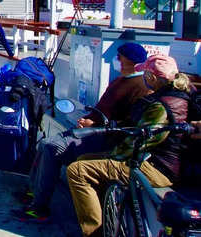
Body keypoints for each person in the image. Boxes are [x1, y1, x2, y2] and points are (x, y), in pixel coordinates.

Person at [11, 42, 150, 222]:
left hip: (106, 137)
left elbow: (132, 123)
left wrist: (95, 122)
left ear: (130, 61)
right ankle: (34, 192)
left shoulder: (140, 87)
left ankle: (39, 208)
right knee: (46, 143)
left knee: (51, 147)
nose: (117, 60)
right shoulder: (120, 80)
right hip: (93, 129)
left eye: (120, 57)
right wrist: (89, 119)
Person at [67, 54, 193, 237]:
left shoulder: (163, 106)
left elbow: (143, 139)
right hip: (157, 162)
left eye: (145, 73)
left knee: (77, 170)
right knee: (85, 159)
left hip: (157, 168)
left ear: (152, 77)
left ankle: (93, 232)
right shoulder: (174, 96)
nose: (143, 77)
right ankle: (107, 220)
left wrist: (112, 156)